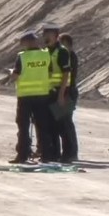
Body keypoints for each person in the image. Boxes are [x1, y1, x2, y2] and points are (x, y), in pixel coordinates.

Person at [8, 31, 53, 164]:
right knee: (42, 126)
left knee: (23, 127)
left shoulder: (22, 57)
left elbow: (15, 76)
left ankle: (22, 155)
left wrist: (11, 73)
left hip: (25, 96)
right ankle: (45, 155)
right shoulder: (46, 55)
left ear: (27, 43)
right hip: (42, 95)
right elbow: (49, 72)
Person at [42, 23, 71, 162]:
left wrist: (61, 95)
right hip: (49, 91)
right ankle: (54, 153)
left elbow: (66, 74)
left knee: (63, 124)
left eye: (49, 35)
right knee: (50, 124)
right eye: (45, 34)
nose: (46, 37)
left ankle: (68, 154)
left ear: (56, 36)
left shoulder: (62, 51)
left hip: (62, 91)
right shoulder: (45, 51)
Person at [58, 33, 79, 162]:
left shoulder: (70, 56)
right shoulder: (70, 55)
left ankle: (71, 152)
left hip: (69, 91)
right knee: (66, 123)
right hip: (69, 91)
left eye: (61, 43)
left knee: (66, 123)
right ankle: (70, 152)